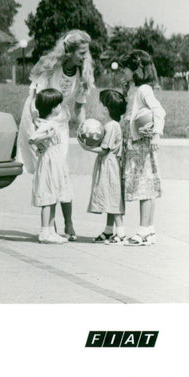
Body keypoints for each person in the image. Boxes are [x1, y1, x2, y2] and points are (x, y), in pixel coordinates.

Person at [18, 30, 95, 240]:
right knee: (51, 174)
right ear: (68, 51)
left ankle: (68, 223)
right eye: (81, 52)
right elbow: (36, 101)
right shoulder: (51, 70)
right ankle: (48, 228)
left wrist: (85, 128)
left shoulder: (82, 74)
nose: (84, 57)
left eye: (86, 53)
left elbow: (79, 109)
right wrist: (37, 133)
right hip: (42, 122)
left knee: (62, 173)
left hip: (60, 126)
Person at [120, 49, 165, 246]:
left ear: (136, 69)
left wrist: (156, 134)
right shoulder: (133, 88)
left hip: (142, 146)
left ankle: (143, 230)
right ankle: (150, 230)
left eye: (127, 68)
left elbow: (159, 110)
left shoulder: (144, 89)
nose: (124, 71)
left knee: (144, 188)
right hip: (136, 144)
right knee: (146, 187)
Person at [83, 89, 127, 244]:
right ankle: (109, 230)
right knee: (109, 197)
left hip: (110, 166)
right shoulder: (110, 124)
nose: (99, 106)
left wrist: (87, 147)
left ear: (106, 109)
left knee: (113, 198)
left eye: (101, 104)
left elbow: (104, 149)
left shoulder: (112, 126)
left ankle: (120, 233)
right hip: (108, 165)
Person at [29, 88, 72, 244]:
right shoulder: (47, 125)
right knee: (48, 196)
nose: (61, 107)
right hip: (50, 162)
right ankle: (44, 231)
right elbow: (33, 138)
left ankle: (51, 231)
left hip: (54, 161)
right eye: (59, 104)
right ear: (53, 108)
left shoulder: (44, 121)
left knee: (53, 196)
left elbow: (33, 112)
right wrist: (47, 136)